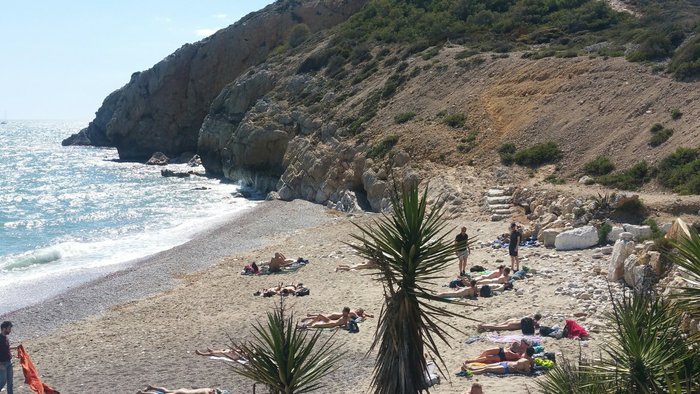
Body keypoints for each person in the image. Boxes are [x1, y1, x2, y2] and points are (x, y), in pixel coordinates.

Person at [466, 347, 535, 375]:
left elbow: (528, 372)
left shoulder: (527, 361)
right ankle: (469, 368)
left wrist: (518, 371)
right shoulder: (526, 358)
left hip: (507, 369)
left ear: (526, 352)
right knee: (487, 366)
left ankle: (470, 372)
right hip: (506, 363)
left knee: (487, 369)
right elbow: (532, 367)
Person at [477, 314, 542, 332]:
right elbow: (537, 327)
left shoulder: (529, 316)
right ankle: (482, 326)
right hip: (513, 325)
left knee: (497, 325)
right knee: (496, 327)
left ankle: (485, 325)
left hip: (513, 320)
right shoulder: (534, 322)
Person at [0, 321, 16, 394]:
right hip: (2, 364)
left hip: (9, 362)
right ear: (4, 328)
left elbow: (7, 348)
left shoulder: (6, 337)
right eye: (9, 328)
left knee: (10, 382)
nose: (10, 330)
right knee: (2, 382)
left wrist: (16, 347)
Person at [136, 385, 227, 394]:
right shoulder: (206, 393)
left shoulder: (208, 389)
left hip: (183, 390)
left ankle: (151, 387)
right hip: (183, 393)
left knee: (166, 391)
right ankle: (142, 393)